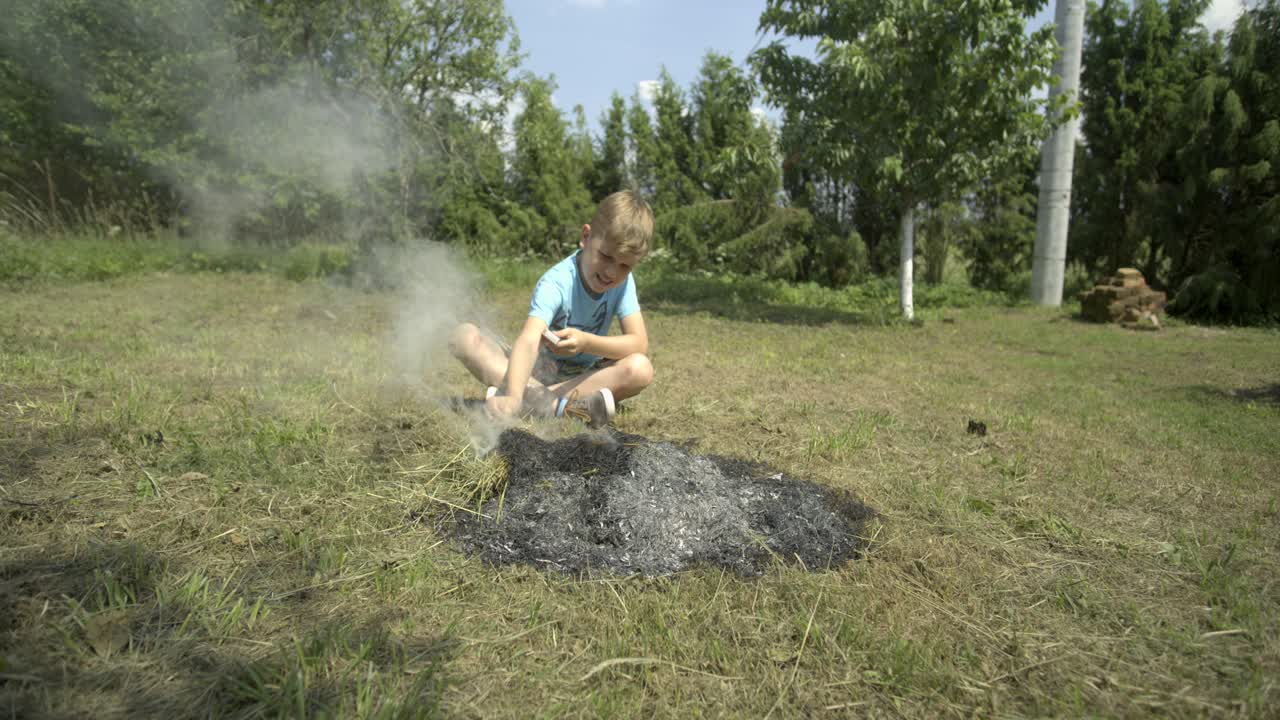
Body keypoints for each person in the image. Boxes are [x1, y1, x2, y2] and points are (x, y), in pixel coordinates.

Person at [449, 190, 655, 427]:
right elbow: (528, 340)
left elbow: (639, 343)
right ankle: (557, 406)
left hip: (580, 378)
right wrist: (515, 395)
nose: (612, 272)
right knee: (463, 337)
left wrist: (587, 342)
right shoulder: (557, 282)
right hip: (530, 374)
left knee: (640, 368)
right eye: (606, 256)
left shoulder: (623, 283)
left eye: (624, 266)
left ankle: (541, 403)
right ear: (586, 237)